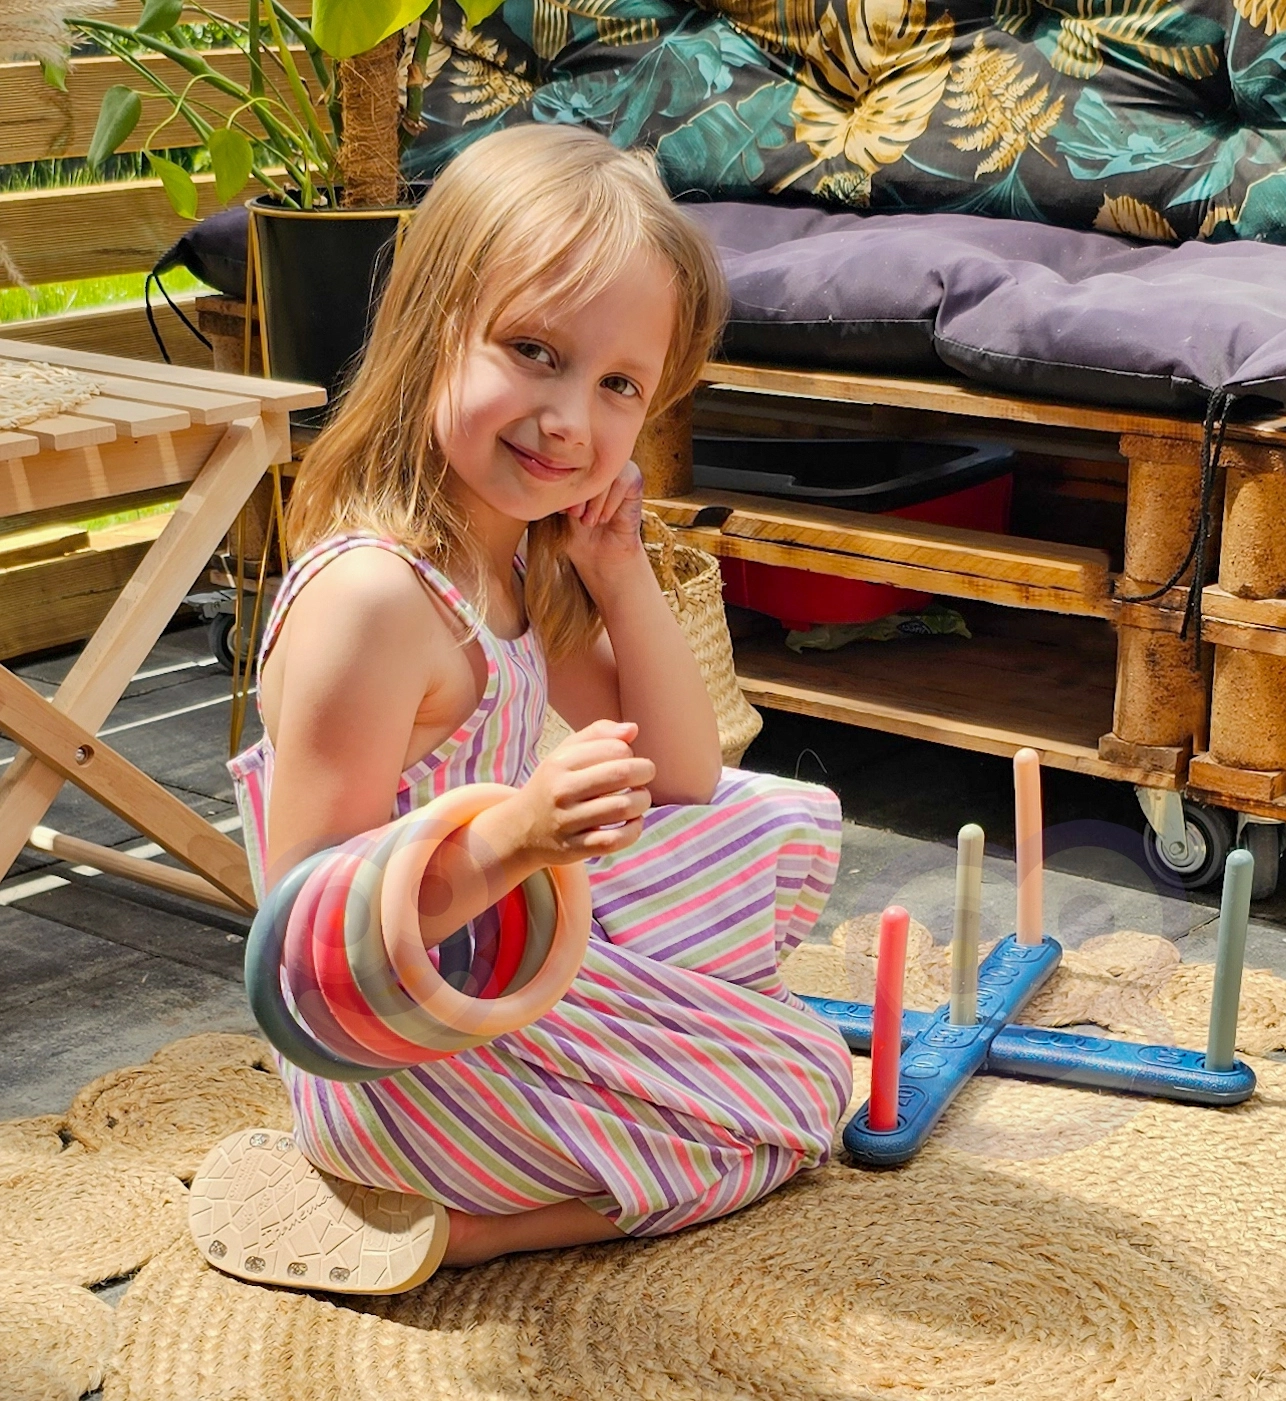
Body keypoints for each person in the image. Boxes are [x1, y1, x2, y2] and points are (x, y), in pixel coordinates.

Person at [193, 124, 853, 1295]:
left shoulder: (501, 566)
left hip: (482, 969)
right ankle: (464, 1231)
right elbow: (309, 948)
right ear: (432, 324)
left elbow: (686, 777)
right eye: (535, 351)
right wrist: (515, 839)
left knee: (757, 832)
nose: (568, 421)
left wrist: (618, 571)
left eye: (617, 387)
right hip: (395, 1056)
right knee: (797, 1095)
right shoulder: (374, 601)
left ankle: (582, 1102)